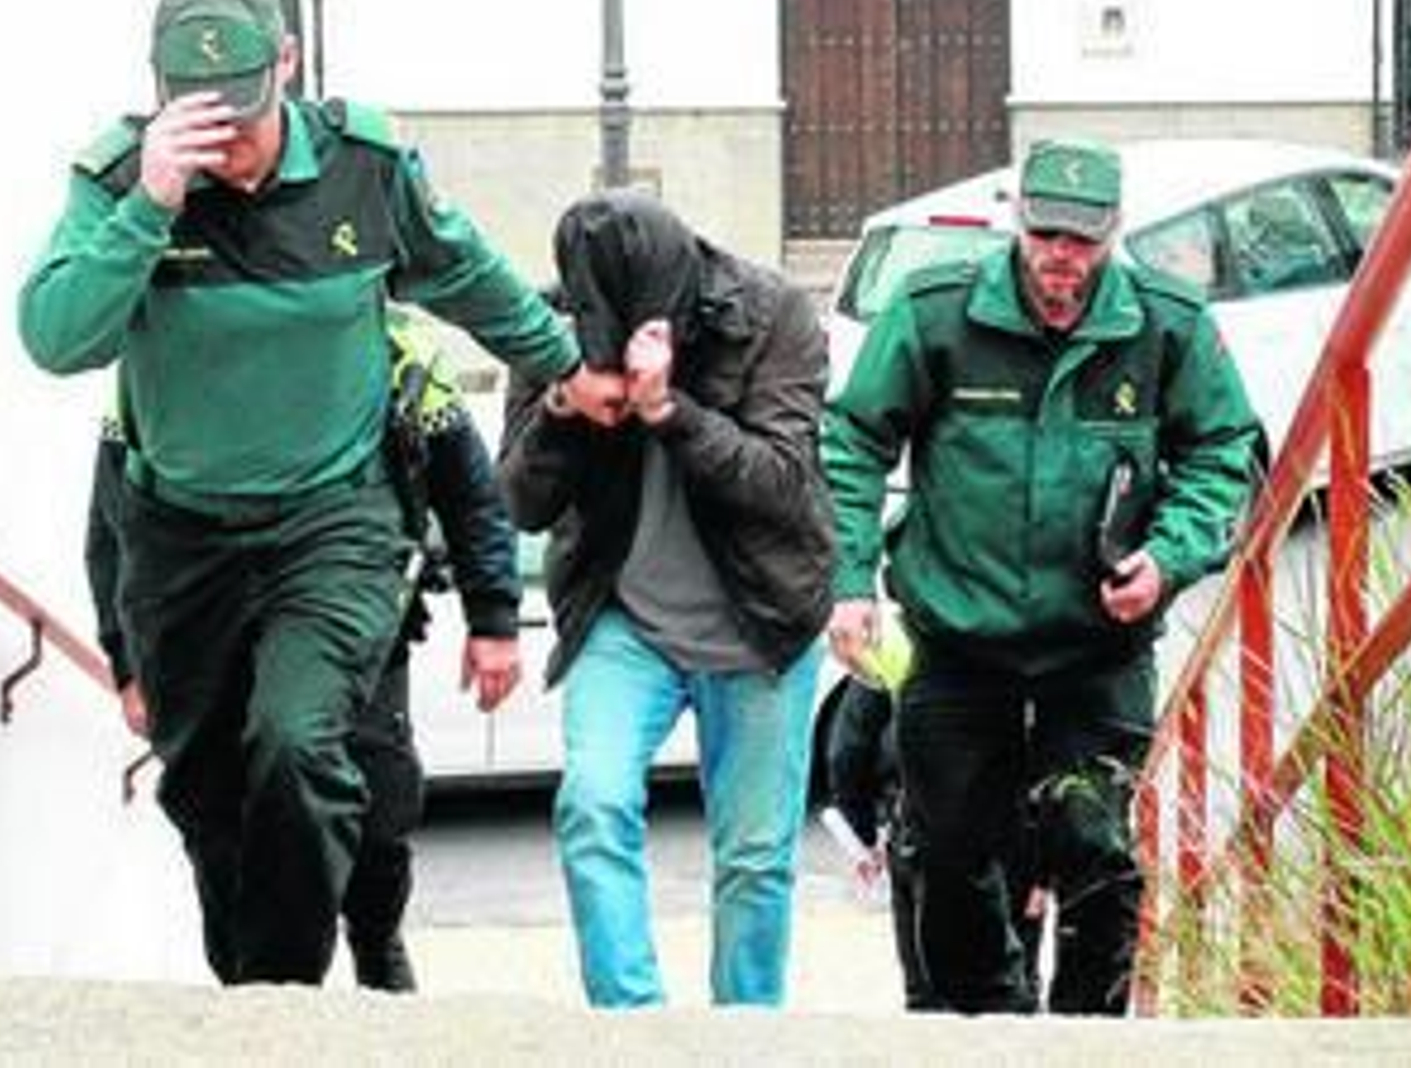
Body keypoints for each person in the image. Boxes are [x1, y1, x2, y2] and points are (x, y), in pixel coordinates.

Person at [18, 0, 611, 986]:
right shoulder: (120, 179)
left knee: (298, 748)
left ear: (289, 62)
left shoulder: (364, 167)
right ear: (158, 92)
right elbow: (57, 337)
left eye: (248, 110)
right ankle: (256, 992)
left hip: (327, 524)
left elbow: (466, 270)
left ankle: (282, 1006)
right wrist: (150, 205)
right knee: (206, 798)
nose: (232, 142)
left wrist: (563, 367)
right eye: (202, 114)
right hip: (180, 538)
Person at [823, 136, 1262, 1015]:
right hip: (959, 637)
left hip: (1095, 645)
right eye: (1046, 236)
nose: (1062, 260)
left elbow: (1226, 453)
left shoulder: (1165, 325)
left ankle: (1087, 1036)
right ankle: (996, 1027)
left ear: (1113, 234)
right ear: (1018, 224)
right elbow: (854, 439)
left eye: (1083, 242)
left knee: (1092, 843)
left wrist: (1169, 558)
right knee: (947, 851)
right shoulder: (937, 312)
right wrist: (849, 581)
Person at [84, 317, 521, 991]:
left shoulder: (404, 352)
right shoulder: (159, 356)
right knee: (217, 806)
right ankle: (252, 989)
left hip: (358, 615)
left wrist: (493, 619)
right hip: (209, 623)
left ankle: (375, 940)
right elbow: (113, 524)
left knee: (375, 803)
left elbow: (472, 496)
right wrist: (127, 662)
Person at [496, 190, 835, 1008]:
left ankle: (743, 1038)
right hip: (626, 616)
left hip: (762, 620)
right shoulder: (552, 328)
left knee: (755, 861)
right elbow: (518, 502)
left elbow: (783, 487)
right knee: (593, 804)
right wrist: (562, 409)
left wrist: (667, 410)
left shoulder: (771, 312)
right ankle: (634, 1030)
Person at [824, 673, 1044, 1012]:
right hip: (1011, 828)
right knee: (1009, 991)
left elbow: (848, 747)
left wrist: (864, 833)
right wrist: (1047, 868)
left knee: (927, 996)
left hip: (916, 822)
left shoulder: (901, 627)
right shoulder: (1030, 627)